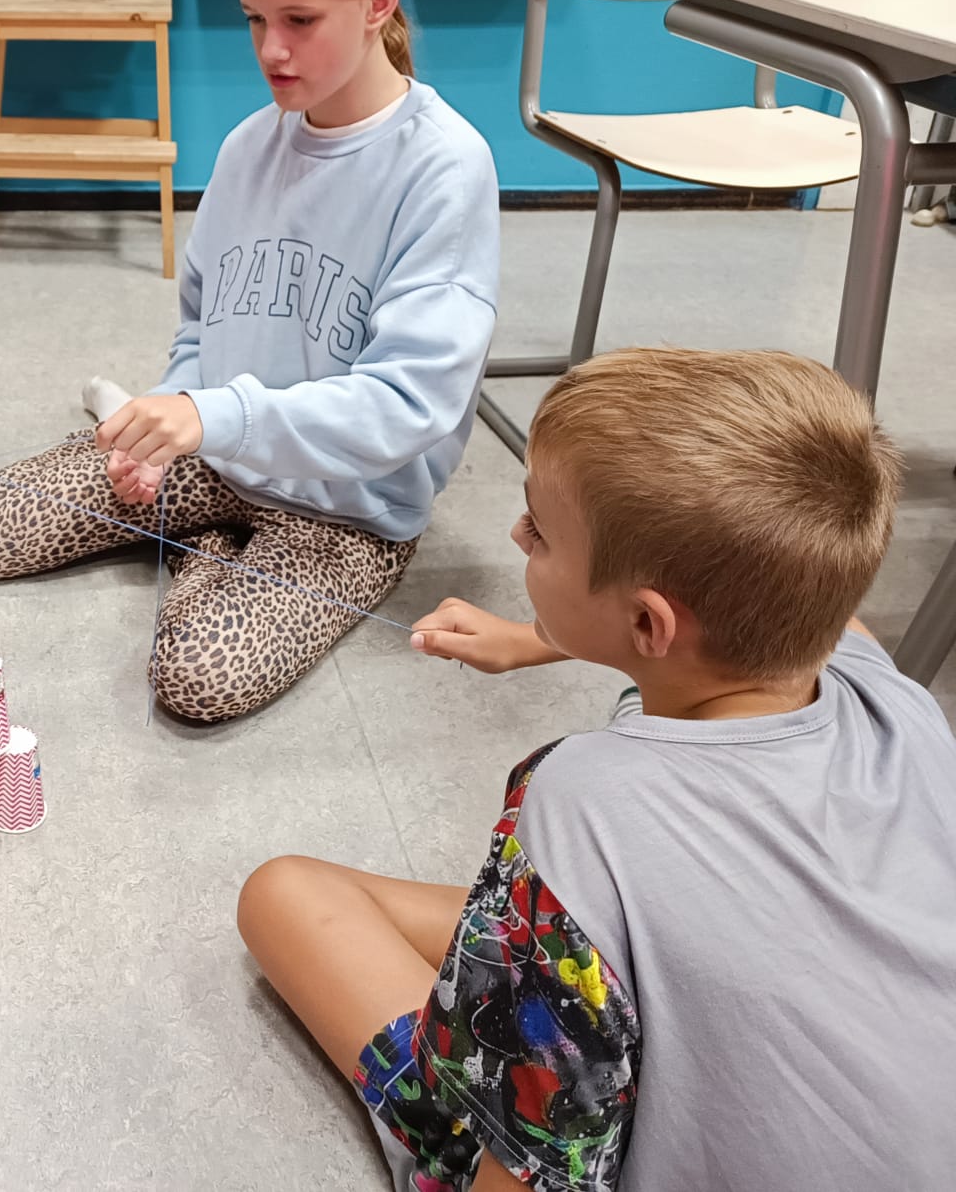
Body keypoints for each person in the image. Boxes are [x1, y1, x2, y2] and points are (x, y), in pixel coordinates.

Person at [237, 348, 956, 1192]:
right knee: (535, 925)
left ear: (650, 624)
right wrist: (542, 634)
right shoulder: (890, 696)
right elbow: (789, 598)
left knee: (283, 893)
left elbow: (542, 1170)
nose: (516, 536)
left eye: (539, 531)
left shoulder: (579, 802)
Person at [0, 0, 499, 722]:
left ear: (380, 5)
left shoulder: (444, 167)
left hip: (345, 509)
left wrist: (214, 417)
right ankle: (211, 540)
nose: (272, 50)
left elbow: (410, 406)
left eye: (301, 21)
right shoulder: (250, 146)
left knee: (196, 678)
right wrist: (164, 421)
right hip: (217, 454)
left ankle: (207, 554)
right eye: (254, 20)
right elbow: (204, 324)